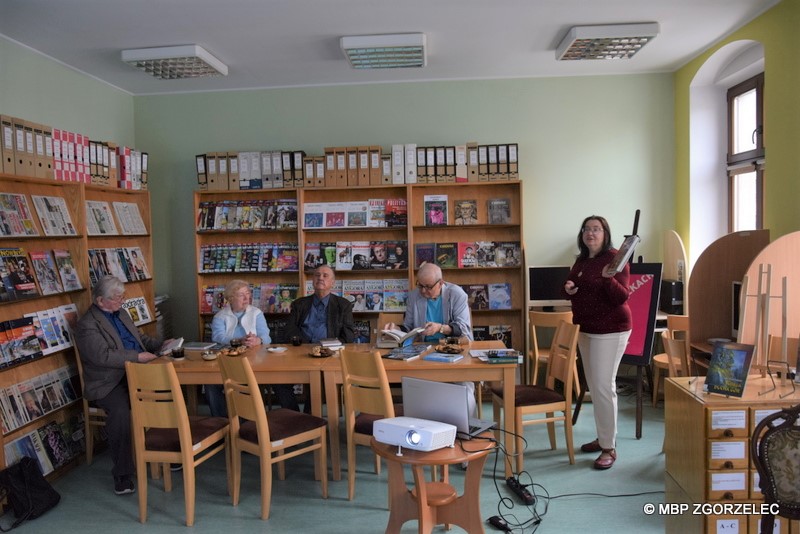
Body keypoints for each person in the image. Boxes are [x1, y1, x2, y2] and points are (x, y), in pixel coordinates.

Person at [75, 275, 169, 495]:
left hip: (135, 373)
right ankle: (122, 474)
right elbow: (103, 356)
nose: (122, 301)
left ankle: (167, 451)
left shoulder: (122, 314)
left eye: (122, 296)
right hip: (108, 381)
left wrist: (161, 344)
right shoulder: (87, 325)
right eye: (117, 298)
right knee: (121, 412)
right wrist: (137, 357)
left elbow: (140, 339)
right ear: (100, 301)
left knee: (168, 393)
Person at [563, 215, 632, 471]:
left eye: (596, 229)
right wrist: (569, 287)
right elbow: (573, 285)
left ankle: (609, 447)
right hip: (587, 328)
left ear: (605, 233)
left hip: (611, 330)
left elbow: (621, 296)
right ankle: (603, 436)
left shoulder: (615, 258)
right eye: (586, 229)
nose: (590, 233)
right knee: (594, 385)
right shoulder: (582, 259)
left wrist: (607, 278)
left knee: (603, 386)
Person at [383, 263, 476, 414]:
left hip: (454, 351)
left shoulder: (457, 294)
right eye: (420, 286)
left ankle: (465, 429)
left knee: (464, 387)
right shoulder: (414, 296)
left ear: (441, 283)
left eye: (428, 287)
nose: (423, 291)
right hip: (423, 353)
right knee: (416, 389)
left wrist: (440, 328)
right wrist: (396, 329)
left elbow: (463, 329)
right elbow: (409, 328)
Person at [285, 265, 355, 411]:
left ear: (333, 282)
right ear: (312, 280)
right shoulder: (300, 304)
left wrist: (328, 347)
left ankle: (309, 418)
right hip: (301, 352)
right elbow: (290, 330)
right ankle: (293, 414)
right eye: (317, 275)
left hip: (329, 354)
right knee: (279, 378)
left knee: (320, 377)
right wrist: (306, 347)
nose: (320, 278)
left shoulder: (343, 305)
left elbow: (348, 336)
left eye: (325, 275)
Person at [208, 280, 276, 417]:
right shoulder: (220, 316)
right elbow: (217, 337)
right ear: (231, 299)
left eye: (248, 293)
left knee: (246, 382)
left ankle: (247, 422)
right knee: (211, 384)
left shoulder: (256, 313)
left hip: (253, 361)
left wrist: (258, 340)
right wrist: (238, 340)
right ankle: (221, 422)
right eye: (241, 295)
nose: (247, 298)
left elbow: (266, 337)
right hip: (227, 360)